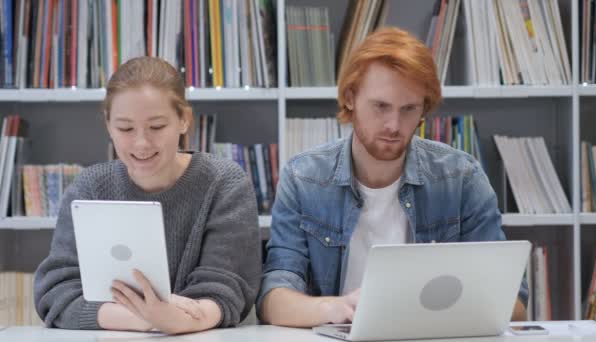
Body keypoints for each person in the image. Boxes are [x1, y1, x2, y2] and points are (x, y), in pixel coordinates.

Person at [258, 27, 528, 327]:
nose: (394, 125)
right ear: (350, 97)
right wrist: (338, 309)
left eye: (409, 109)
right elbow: (273, 300)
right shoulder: (303, 179)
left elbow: (515, 303)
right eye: (380, 106)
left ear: (424, 108)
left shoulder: (461, 178)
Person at [34, 57, 261, 334]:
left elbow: (226, 290)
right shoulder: (89, 188)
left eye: (156, 127)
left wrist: (186, 319)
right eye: (125, 128)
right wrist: (150, 319)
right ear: (108, 124)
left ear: (184, 120)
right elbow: (56, 293)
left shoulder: (224, 183)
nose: (141, 143)